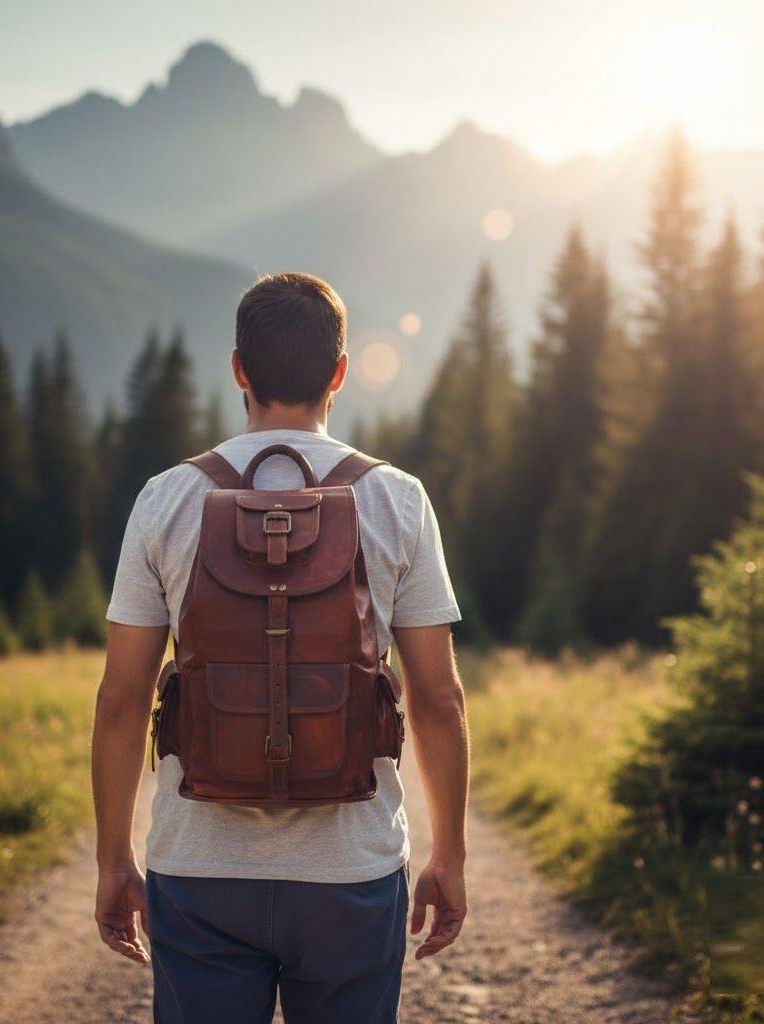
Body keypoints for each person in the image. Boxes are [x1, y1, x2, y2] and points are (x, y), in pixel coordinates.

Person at [92, 272, 469, 1023]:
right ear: (339, 372)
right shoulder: (397, 499)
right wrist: (449, 856)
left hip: (198, 871)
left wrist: (113, 862)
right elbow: (438, 698)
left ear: (239, 369)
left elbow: (121, 700)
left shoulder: (167, 498)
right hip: (350, 875)